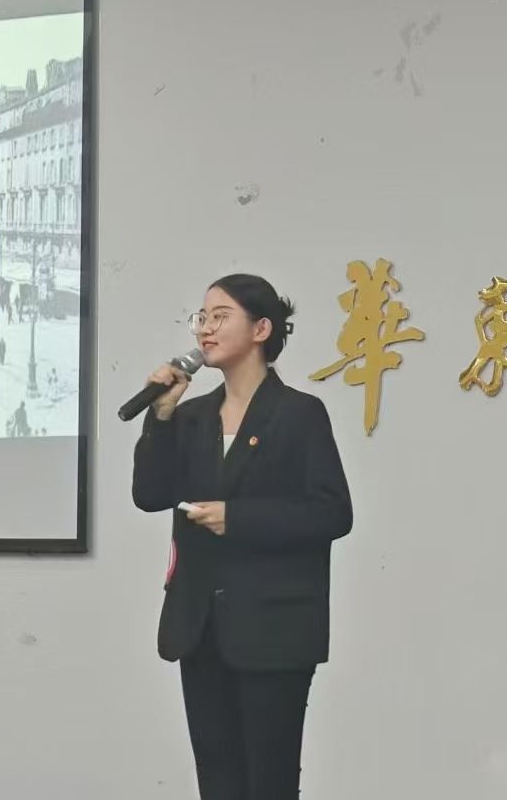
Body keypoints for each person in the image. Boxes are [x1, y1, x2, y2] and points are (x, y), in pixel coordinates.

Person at [132, 273, 352, 800]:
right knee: (218, 782)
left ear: (261, 329)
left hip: (273, 631)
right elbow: (150, 494)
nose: (205, 329)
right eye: (201, 318)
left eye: (220, 316)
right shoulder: (190, 416)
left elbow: (332, 513)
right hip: (199, 627)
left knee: (269, 783)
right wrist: (159, 417)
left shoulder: (298, 414)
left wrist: (239, 519)